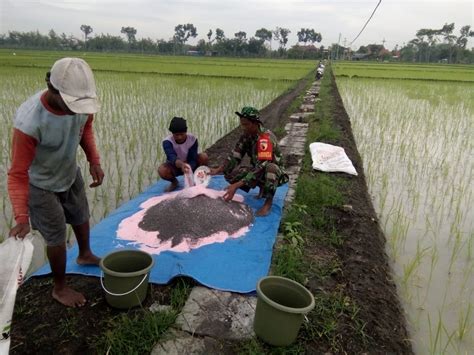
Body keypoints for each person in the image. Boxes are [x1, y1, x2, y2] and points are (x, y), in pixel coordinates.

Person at [7, 57, 104, 308]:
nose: (77, 110)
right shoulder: (30, 122)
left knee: (81, 214)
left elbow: (86, 128)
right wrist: (20, 217)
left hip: (68, 171)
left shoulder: (80, 104)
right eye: (71, 104)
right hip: (40, 184)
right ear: (52, 88)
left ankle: (85, 254)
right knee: (56, 236)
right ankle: (59, 288)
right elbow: (17, 173)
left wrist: (94, 160)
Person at [210, 106, 288, 216]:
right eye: (242, 124)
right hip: (258, 168)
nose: (243, 127)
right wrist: (218, 170)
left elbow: (262, 166)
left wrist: (236, 186)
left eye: (246, 124)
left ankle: (268, 203)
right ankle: (262, 187)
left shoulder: (265, 139)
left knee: (271, 168)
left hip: (274, 174)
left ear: (255, 123)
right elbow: (235, 155)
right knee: (231, 175)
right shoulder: (247, 136)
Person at [158, 116, 209, 192]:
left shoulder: (192, 139)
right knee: (162, 170)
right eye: (176, 135)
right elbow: (171, 156)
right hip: (175, 166)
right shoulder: (167, 142)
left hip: (190, 164)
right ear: (172, 134)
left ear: (186, 132)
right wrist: (181, 165)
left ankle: (197, 178)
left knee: (203, 157)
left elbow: (192, 157)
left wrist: (188, 168)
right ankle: (174, 182)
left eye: (182, 134)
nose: (179, 137)